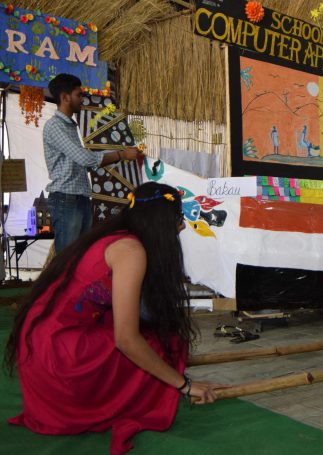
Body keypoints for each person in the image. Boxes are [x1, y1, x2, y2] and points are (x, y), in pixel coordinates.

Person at [4, 182, 221, 454]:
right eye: (178, 218)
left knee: (159, 337)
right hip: (57, 360)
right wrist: (184, 385)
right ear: (160, 220)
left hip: (40, 346)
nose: (182, 227)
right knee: (154, 344)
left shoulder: (116, 236)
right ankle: (153, 393)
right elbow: (126, 340)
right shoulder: (131, 251)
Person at [44, 73, 143, 253]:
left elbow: (87, 161)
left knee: (79, 255)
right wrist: (120, 155)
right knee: (67, 257)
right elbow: (85, 159)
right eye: (78, 95)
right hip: (66, 198)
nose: (82, 99)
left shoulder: (69, 126)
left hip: (78, 197)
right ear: (65, 97)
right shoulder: (55, 126)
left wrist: (122, 154)